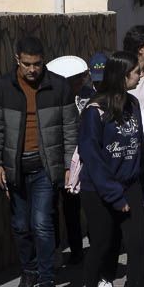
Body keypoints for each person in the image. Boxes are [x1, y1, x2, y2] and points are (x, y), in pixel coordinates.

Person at [0, 36, 78, 287]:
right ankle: (29, 271)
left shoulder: (58, 87)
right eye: (27, 64)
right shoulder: (2, 88)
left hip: (45, 167)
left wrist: (70, 165)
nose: (32, 70)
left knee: (42, 223)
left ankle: (47, 280)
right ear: (17, 60)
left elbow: (71, 129)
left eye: (36, 64)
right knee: (21, 224)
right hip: (15, 168)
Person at [76, 52, 144, 287]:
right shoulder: (94, 110)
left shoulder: (132, 103)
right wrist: (114, 195)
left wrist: (141, 183)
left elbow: (139, 145)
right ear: (121, 76)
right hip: (99, 190)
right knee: (102, 243)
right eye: (135, 72)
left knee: (136, 244)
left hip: (130, 184)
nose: (140, 75)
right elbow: (92, 156)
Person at [46, 55, 92, 266]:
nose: (80, 83)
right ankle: (55, 249)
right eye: (75, 80)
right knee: (52, 207)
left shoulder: (86, 98)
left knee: (74, 206)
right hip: (55, 161)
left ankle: (77, 250)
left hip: (78, 161)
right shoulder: (52, 101)